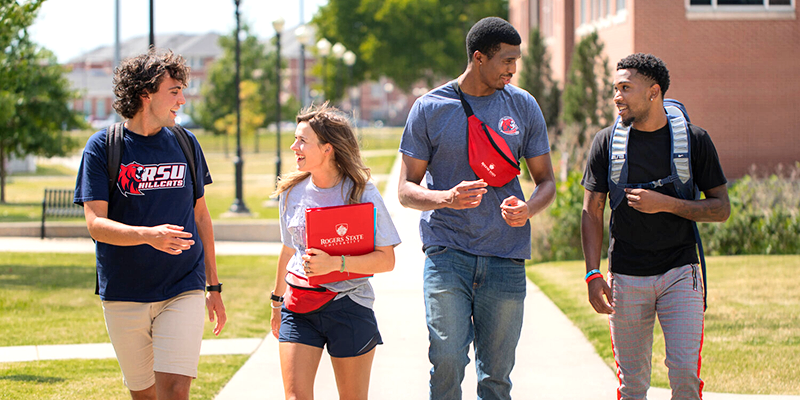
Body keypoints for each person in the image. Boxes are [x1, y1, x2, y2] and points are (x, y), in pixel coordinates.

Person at [398, 17, 556, 400]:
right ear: (478, 57)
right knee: (448, 359)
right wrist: (446, 198)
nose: (513, 69)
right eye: (505, 60)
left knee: (496, 376)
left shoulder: (523, 105)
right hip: (447, 253)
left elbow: (546, 181)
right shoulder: (430, 108)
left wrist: (530, 208)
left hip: (505, 254)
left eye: (516, 60)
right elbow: (405, 189)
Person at [74, 49, 225, 400]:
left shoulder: (186, 143)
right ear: (146, 94)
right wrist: (149, 236)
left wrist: (213, 287)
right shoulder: (103, 147)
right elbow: (95, 224)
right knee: (144, 394)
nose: (182, 100)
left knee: (174, 390)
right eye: (174, 92)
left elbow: (201, 216)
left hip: (183, 285)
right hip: (125, 290)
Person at [581, 53, 730, 400]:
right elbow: (592, 210)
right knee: (632, 385)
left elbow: (721, 209)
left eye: (625, 88)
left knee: (684, 377)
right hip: (627, 277)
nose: (617, 96)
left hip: (681, 271)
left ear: (653, 92)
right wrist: (592, 274)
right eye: (615, 88)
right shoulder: (606, 143)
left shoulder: (695, 140)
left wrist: (666, 204)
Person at [269, 104, 401, 400]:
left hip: (348, 306)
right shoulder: (292, 191)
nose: (294, 147)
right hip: (298, 307)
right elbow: (288, 250)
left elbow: (387, 259)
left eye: (302, 141)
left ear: (327, 148)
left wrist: (336, 264)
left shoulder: (361, 192)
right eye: (295, 139)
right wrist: (277, 302)